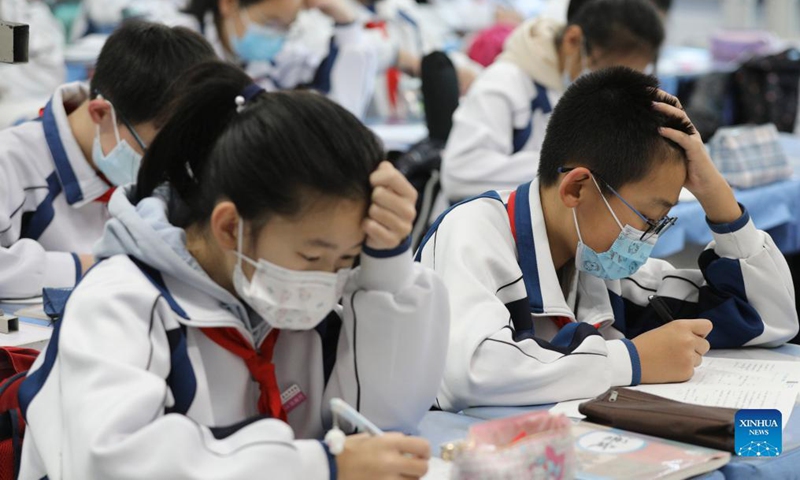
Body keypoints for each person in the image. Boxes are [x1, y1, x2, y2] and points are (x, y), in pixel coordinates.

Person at [18, 60, 450, 479]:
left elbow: (374, 424)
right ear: (230, 227)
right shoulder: (121, 304)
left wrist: (387, 263)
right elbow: (110, 463)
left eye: (345, 260)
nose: (325, 282)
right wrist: (319, 467)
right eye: (313, 258)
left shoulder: (286, 306)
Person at [416, 67, 798, 412]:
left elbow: (769, 317)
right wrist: (631, 361)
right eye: (648, 218)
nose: (648, 238)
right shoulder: (473, 233)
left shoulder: (598, 263)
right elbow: (468, 374)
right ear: (578, 188)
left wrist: (716, 194)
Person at [0, 20, 216, 300]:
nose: (167, 166)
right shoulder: (13, 161)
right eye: (158, 149)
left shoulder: (147, 167)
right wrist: (92, 265)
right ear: (101, 114)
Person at [441, 0, 664, 202]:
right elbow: (459, 175)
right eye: (609, 74)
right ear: (572, 40)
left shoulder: (570, 86)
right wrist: (572, 163)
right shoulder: (504, 83)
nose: (615, 90)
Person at [183, 0, 378, 118]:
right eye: (271, 22)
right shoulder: (179, 46)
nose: (276, 36)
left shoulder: (283, 59)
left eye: (286, 27)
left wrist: (346, 23)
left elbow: (339, 110)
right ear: (229, 3)